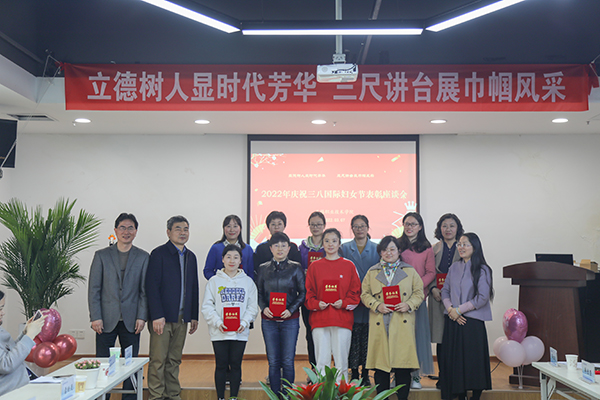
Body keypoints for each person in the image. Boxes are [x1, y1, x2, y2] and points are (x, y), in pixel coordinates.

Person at [88, 212, 149, 400]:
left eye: (130, 228)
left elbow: (144, 291)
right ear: (115, 230)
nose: (126, 231)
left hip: (132, 320)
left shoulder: (143, 257)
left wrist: (142, 316)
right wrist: (95, 317)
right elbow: (94, 289)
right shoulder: (101, 255)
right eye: (122, 227)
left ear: (136, 231)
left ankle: (129, 398)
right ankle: (102, 396)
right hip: (105, 319)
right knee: (104, 364)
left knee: (130, 364)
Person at [360, 236, 423, 400]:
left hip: (402, 321)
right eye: (385, 250)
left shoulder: (409, 271)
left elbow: (419, 293)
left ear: (399, 251)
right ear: (380, 252)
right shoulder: (372, 272)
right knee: (381, 368)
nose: (389, 253)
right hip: (380, 321)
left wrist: (408, 304)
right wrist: (376, 305)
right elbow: (364, 294)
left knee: (403, 367)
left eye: (392, 249)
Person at [146, 215, 199, 400]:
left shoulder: (191, 257)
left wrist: (193, 315)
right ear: (168, 232)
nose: (182, 232)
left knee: (174, 359)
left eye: (186, 229)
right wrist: (156, 315)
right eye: (178, 229)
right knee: (158, 360)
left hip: (182, 318)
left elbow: (193, 287)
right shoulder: (158, 254)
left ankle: (173, 394)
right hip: (162, 318)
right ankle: (156, 396)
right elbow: (151, 287)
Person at [440, 233, 493, 400]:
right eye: (460, 244)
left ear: (475, 247)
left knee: (473, 360)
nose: (461, 247)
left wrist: (459, 310)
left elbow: (482, 298)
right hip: (453, 319)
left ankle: (475, 395)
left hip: (472, 322)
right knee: (454, 360)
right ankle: (459, 394)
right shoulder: (454, 267)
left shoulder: (483, 269)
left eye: (465, 244)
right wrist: (451, 309)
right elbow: (445, 291)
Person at [202, 245, 258, 400]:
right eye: (228, 257)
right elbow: (207, 306)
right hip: (219, 331)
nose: (232, 261)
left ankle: (233, 397)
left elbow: (253, 306)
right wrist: (217, 322)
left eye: (235, 257)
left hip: (240, 331)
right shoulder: (214, 281)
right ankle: (220, 397)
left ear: (241, 260)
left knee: (235, 364)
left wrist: (245, 322)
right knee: (221, 364)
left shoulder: (248, 282)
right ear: (222, 259)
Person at [305, 228, 361, 382]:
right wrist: (317, 304)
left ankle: (341, 392)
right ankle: (323, 392)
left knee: (341, 362)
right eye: (327, 241)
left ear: (339, 244)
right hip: (320, 320)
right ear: (322, 244)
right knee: (321, 362)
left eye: (334, 241)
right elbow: (308, 294)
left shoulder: (349, 266)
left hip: (342, 320)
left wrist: (344, 303)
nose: (330, 244)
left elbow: (356, 293)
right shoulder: (314, 266)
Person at [257, 232, 306, 395]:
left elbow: (303, 293)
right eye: (276, 245)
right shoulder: (263, 268)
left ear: (289, 248)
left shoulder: (296, 267)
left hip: (290, 320)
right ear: (270, 248)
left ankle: (287, 395)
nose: (280, 249)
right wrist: (263, 307)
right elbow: (258, 292)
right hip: (269, 320)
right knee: (273, 361)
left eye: (283, 245)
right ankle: (274, 395)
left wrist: (290, 310)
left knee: (287, 361)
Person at [341, 215, 379, 386]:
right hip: (352, 301)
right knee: (353, 338)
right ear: (352, 228)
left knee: (368, 339)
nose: (359, 229)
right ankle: (354, 372)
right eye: (356, 226)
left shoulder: (377, 249)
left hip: (371, 300)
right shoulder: (344, 248)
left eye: (362, 226)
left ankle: (366, 374)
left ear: (368, 227)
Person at [398, 212, 435, 388]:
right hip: (397, 299)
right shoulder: (396, 245)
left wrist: (416, 287)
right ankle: (399, 376)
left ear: (420, 227)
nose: (409, 227)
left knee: (416, 338)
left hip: (417, 299)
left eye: (413, 224)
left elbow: (431, 273)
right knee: (399, 338)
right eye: (407, 224)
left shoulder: (427, 248)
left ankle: (415, 376)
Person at [428, 213, 464, 385]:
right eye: (444, 226)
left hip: (459, 300)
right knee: (442, 340)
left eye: (452, 225)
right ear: (439, 229)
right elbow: (428, 272)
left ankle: (457, 378)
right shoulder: (432, 249)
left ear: (458, 228)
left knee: (457, 339)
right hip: (438, 298)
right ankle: (443, 377)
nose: (448, 229)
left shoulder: (464, 248)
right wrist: (432, 288)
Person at [0, 290, 46, 396]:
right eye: (0, 309)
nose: (3, 313)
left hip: (23, 383)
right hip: (11, 392)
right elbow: (6, 364)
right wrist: (29, 336)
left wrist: (25, 333)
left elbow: (11, 352)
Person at [298, 211, 326, 373]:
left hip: (327, 296)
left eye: (319, 224)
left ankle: (327, 369)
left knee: (326, 333)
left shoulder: (330, 245)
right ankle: (314, 369)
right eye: (313, 224)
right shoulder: (301, 248)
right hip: (308, 296)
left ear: (324, 226)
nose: (316, 227)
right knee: (310, 333)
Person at [204, 215, 254, 280]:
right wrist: (218, 281)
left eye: (235, 226)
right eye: (228, 226)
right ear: (224, 228)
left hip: (242, 285)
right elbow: (208, 271)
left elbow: (251, 272)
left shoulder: (247, 249)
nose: (232, 230)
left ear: (240, 228)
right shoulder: (216, 248)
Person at [253, 211, 302, 278]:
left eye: (279, 224)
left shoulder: (292, 247)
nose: (276, 227)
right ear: (268, 226)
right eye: (273, 224)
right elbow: (258, 270)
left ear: (284, 226)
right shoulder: (261, 248)